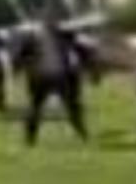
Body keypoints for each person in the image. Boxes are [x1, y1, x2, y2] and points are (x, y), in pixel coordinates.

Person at [13, 9, 98, 145]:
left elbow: (19, 56)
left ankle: (30, 138)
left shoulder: (36, 37)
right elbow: (83, 51)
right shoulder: (62, 35)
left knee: (37, 106)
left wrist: (20, 69)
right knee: (69, 106)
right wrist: (90, 69)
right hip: (56, 76)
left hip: (46, 76)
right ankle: (82, 134)